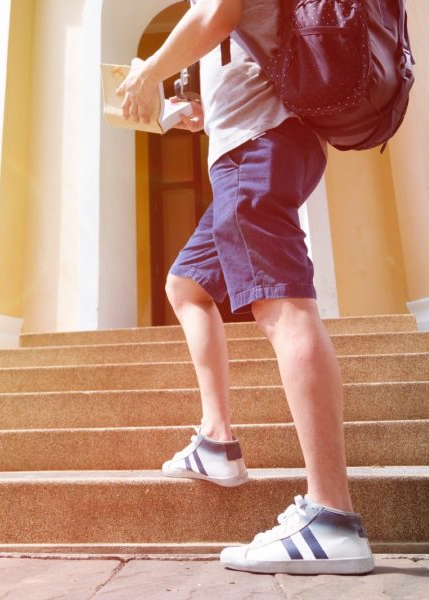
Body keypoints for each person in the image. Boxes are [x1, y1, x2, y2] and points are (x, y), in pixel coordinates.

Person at [117, 0, 374, 575]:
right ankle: (217, 443)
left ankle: (332, 516)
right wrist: (202, 113)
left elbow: (216, 14)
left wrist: (148, 70)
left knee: (285, 310)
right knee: (186, 284)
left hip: (255, 151)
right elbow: (254, 45)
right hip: (269, 141)